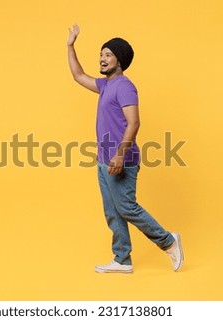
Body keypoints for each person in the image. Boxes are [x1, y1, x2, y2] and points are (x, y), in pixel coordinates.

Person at [67, 24, 184, 273]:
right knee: (113, 211)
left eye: (108, 54)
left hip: (122, 159)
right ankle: (122, 259)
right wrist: (70, 46)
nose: (102, 58)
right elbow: (78, 76)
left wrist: (120, 155)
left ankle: (169, 242)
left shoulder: (125, 86)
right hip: (104, 159)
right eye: (101, 54)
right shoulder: (105, 85)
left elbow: (134, 122)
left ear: (119, 60)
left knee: (127, 207)